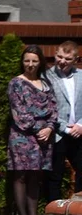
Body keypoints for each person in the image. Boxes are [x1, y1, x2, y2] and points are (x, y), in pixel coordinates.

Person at [7, 46, 57, 215]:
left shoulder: (46, 83)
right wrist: (38, 129)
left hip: (44, 138)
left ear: (40, 62)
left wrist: (50, 127)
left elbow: (54, 107)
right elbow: (19, 112)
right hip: (22, 137)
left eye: (34, 61)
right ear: (22, 61)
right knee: (20, 176)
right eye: (27, 60)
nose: (30, 64)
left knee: (35, 177)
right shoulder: (16, 83)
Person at [44, 41, 82, 203]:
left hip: (79, 132)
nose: (62, 61)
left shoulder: (81, 75)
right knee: (55, 176)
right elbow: (45, 108)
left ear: (76, 59)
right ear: (55, 54)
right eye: (59, 56)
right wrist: (65, 128)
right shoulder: (46, 77)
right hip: (57, 133)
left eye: (67, 58)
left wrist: (80, 125)